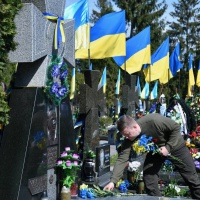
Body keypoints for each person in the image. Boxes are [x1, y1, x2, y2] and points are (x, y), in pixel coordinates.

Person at [104, 113, 200, 199]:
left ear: (134, 127)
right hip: (156, 151)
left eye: (127, 134)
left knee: (191, 177)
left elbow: (175, 127)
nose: (127, 138)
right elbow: (122, 159)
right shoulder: (130, 138)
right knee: (149, 178)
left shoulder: (154, 121)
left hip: (176, 146)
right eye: (125, 135)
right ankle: (155, 198)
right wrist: (113, 181)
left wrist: (168, 147)